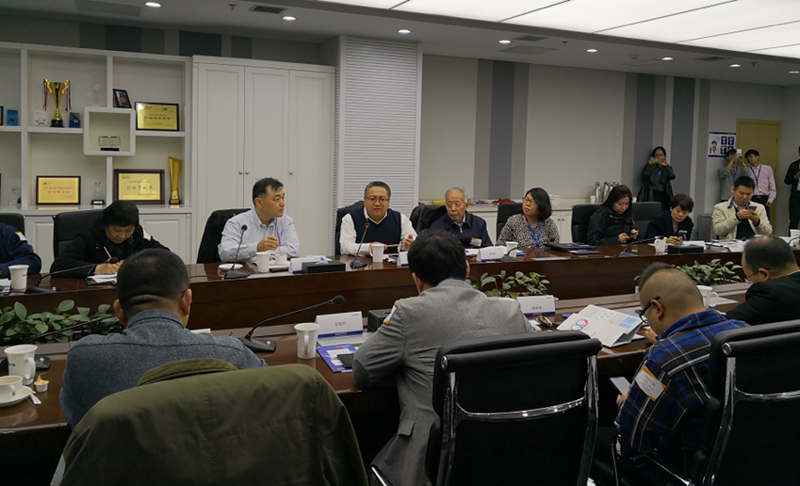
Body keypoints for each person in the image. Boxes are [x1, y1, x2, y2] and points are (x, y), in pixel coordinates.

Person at [353, 229, 533, 486]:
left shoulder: (409, 312)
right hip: (508, 456)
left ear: (416, 280)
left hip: (432, 463)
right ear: (467, 269)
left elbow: (362, 369)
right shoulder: (511, 311)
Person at [59, 249, 265, 427]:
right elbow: (269, 405)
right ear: (186, 301)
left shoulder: (85, 357)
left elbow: (76, 422)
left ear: (119, 311)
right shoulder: (232, 354)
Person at [610, 262, 746, 483]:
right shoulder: (744, 331)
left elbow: (633, 439)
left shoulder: (664, 358)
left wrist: (625, 403)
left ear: (657, 308)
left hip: (682, 472)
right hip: (750, 463)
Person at [50, 201, 168, 277]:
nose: (122, 236)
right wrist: (98, 269)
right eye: (117, 230)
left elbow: (166, 255)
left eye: (128, 230)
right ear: (106, 225)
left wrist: (138, 262)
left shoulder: (137, 233)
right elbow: (59, 266)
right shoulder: (88, 237)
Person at [218, 177, 300, 262]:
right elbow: (225, 253)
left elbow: (294, 250)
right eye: (277, 199)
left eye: (283, 198)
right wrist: (256, 247)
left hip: (277, 270)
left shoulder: (286, 221)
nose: (282, 203)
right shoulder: (236, 223)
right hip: (246, 270)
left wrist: (260, 253)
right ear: (259, 202)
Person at [725, 236, 800, 325]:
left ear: (764, 274)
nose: (751, 282)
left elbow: (724, 324)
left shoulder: (770, 294)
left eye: (749, 278)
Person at [340, 181, 416, 256]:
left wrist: (408, 247)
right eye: (372, 199)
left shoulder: (400, 219)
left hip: (390, 263)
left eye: (382, 199)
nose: (377, 203)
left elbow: (415, 245)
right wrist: (369, 248)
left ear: (388, 202)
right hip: (359, 263)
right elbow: (345, 247)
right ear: (365, 200)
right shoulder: (350, 219)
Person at [638, 146, 675, 211]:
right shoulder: (651, 166)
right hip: (652, 193)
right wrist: (650, 165)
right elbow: (644, 177)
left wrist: (666, 166)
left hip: (664, 194)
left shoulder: (666, 167)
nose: (659, 157)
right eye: (656, 155)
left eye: (661, 155)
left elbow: (672, 176)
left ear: (664, 156)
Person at [744, 149, 776, 214]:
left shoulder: (767, 169)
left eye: (751, 156)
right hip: (752, 198)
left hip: (764, 198)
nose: (749, 159)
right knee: (751, 216)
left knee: (764, 217)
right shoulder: (747, 170)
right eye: (747, 158)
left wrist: (771, 199)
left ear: (757, 157)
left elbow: (772, 185)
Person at [784, 145, 800, 231]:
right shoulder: (794, 165)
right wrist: (795, 177)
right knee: (794, 221)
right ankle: (792, 238)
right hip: (796, 196)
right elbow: (787, 180)